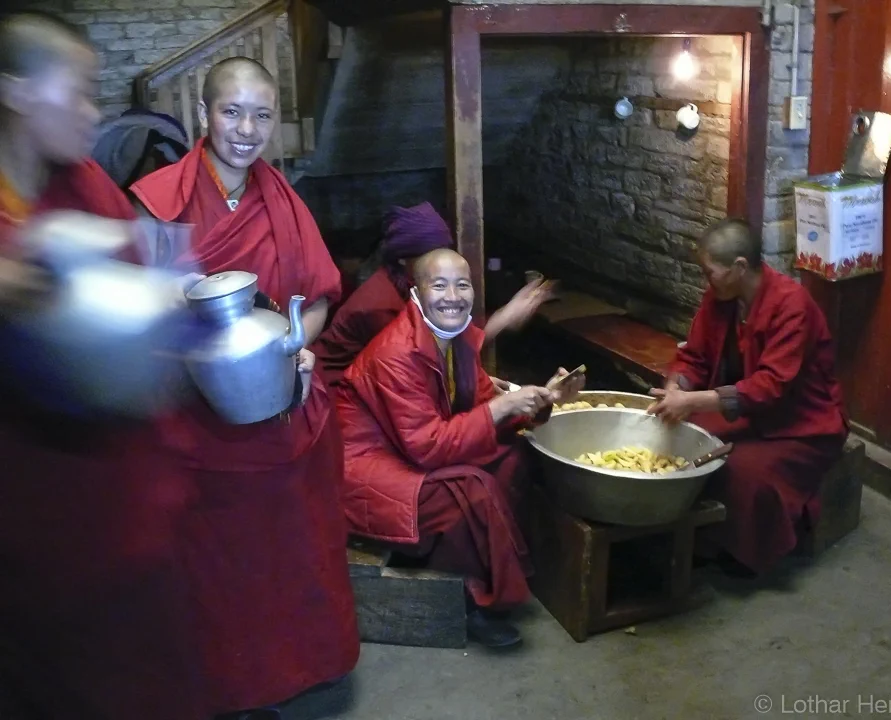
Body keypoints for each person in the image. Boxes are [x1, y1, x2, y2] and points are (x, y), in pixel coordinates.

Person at [131, 57, 359, 717]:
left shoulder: (285, 201)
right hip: (197, 420)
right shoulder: (160, 203)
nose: (246, 129)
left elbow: (315, 300)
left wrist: (297, 350)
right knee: (218, 561)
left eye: (262, 115)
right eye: (232, 111)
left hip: (279, 406)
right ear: (204, 115)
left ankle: (299, 666)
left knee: (295, 546)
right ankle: (232, 684)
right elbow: (143, 320)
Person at [0, 12, 204, 720]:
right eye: (80, 92)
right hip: (38, 494)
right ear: (17, 90)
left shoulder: (83, 179)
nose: (94, 114)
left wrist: (178, 291)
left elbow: (156, 266)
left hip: (125, 466)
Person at [336, 248, 584, 648]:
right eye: (439, 285)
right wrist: (502, 407)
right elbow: (429, 449)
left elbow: (486, 404)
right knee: (469, 489)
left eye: (462, 284)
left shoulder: (457, 340)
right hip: (365, 467)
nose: (453, 295)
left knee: (513, 457)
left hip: (409, 445)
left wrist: (542, 402)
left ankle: (505, 567)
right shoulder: (395, 353)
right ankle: (472, 601)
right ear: (416, 293)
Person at [648, 218, 848, 576]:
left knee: (743, 471)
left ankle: (739, 551)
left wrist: (694, 401)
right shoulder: (722, 297)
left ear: (740, 267)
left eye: (711, 272)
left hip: (800, 421)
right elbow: (694, 356)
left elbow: (771, 385)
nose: (706, 280)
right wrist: (677, 387)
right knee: (680, 434)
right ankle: (685, 532)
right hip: (745, 409)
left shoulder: (791, 304)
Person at [317, 201, 553, 386]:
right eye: (429, 255)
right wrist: (503, 320)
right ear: (402, 259)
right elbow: (423, 363)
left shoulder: (413, 284)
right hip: (338, 395)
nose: (440, 262)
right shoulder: (380, 305)